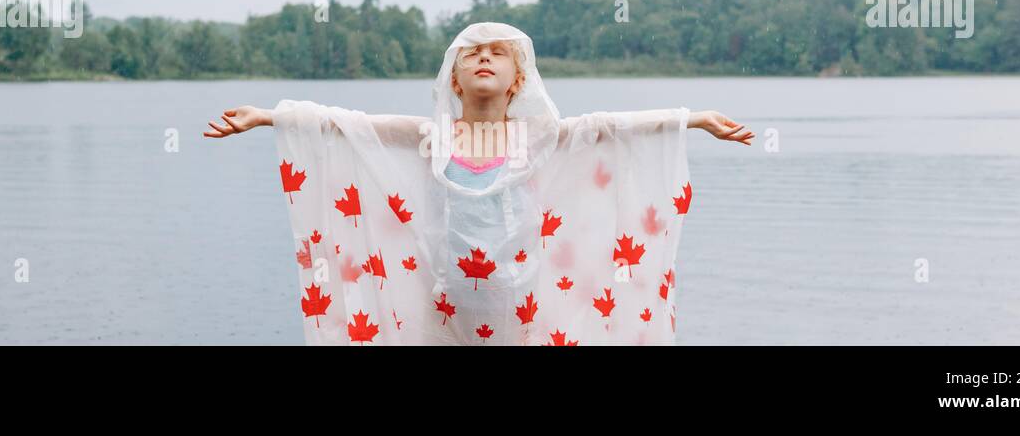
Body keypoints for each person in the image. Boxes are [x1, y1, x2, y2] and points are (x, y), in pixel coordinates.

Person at [205, 22, 752, 345]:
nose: (484, 57)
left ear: (518, 80)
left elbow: (611, 126)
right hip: (443, 301)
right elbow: (346, 124)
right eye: (472, 52)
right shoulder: (430, 138)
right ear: (454, 76)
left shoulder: (542, 139)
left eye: (498, 53)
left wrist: (694, 117)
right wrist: (268, 115)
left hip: (519, 302)